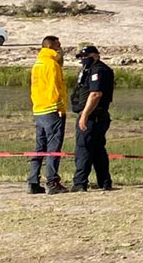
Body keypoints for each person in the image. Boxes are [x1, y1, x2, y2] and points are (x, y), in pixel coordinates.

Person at [70, 46, 115, 192]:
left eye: (85, 56)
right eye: (81, 57)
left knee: (84, 149)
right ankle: (104, 182)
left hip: (93, 116)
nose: (83, 59)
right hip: (93, 116)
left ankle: (80, 183)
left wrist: (84, 116)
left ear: (95, 55)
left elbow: (96, 94)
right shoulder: (88, 70)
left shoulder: (99, 70)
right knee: (97, 150)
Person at [28, 36, 69, 195]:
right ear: (52, 46)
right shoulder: (51, 64)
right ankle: (52, 181)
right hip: (52, 110)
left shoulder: (37, 63)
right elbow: (54, 88)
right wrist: (60, 107)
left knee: (40, 147)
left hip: (38, 109)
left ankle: (33, 181)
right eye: (58, 46)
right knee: (53, 147)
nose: (60, 49)